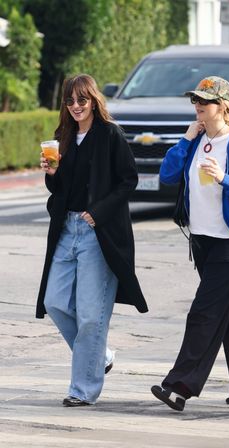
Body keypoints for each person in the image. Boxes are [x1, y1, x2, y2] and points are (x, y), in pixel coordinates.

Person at [151, 76, 229, 412]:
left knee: (204, 313)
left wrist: (224, 178)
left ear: (224, 107)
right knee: (227, 312)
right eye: (196, 100)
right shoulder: (197, 140)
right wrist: (187, 139)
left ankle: (179, 386)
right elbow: (168, 175)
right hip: (202, 241)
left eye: (207, 101)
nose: (199, 105)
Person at [37, 74, 148, 407]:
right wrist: (52, 174)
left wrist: (97, 212)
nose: (75, 107)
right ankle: (100, 356)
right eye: (70, 101)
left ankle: (82, 390)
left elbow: (129, 180)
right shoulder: (64, 137)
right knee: (54, 302)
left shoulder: (109, 135)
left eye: (81, 101)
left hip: (96, 232)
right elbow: (60, 191)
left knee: (90, 315)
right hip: (65, 229)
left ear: (94, 101)